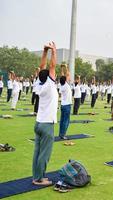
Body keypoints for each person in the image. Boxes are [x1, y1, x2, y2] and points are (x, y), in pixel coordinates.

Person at [32, 42, 58, 186]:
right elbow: (51, 66)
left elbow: (42, 67)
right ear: (48, 77)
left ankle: (36, 177)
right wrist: (53, 51)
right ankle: (40, 179)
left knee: (37, 152)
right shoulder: (49, 83)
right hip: (47, 124)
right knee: (44, 154)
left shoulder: (39, 83)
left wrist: (44, 52)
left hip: (38, 123)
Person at [59, 64, 72, 140]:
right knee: (66, 121)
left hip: (63, 105)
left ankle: (61, 134)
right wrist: (66, 67)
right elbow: (67, 74)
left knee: (62, 120)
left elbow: (62, 76)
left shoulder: (61, 85)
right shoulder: (66, 85)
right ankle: (63, 135)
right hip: (67, 105)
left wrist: (61, 69)